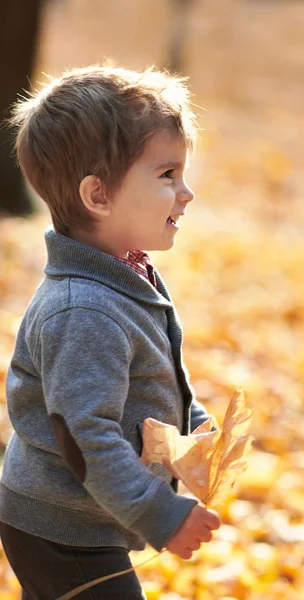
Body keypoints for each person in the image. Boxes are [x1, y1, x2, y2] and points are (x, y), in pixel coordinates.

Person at [0, 64, 220, 599]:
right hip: (60, 528)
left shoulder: (125, 276)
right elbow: (83, 434)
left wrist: (192, 422)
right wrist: (160, 514)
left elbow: (150, 370)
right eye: (167, 175)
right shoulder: (84, 310)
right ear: (98, 195)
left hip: (79, 517)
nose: (186, 193)